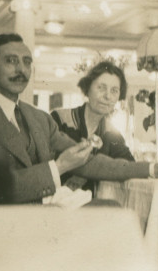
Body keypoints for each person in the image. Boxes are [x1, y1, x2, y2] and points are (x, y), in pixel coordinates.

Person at [0, 33, 158, 204]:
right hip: (1, 224)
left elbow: (89, 162)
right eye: (11, 61)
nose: (21, 70)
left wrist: (152, 168)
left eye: (27, 62)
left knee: (116, 214)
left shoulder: (39, 118)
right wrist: (59, 166)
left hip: (47, 212)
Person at [51, 61, 135, 191]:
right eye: (101, 88)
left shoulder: (112, 134)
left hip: (91, 207)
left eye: (114, 91)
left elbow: (129, 166)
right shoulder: (60, 119)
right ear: (87, 88)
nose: (107, 96)